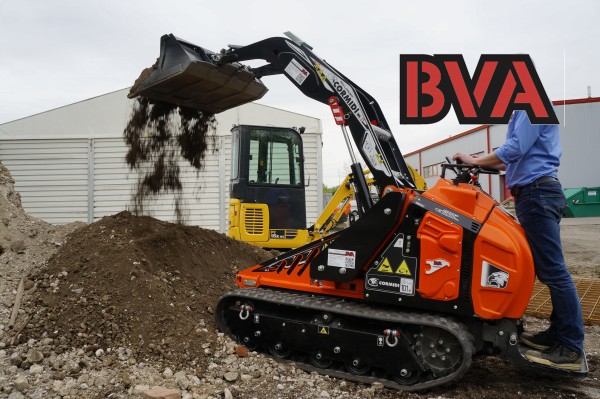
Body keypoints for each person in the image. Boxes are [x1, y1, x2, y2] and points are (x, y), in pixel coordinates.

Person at [453, 110, 584, 371]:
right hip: (535, 193)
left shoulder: (531, 106)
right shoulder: (521, 112)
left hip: (537, 193)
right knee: (548, 271)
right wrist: (480, 163)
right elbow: (509, 161)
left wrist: (473, 159)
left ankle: (570, 348)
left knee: (554, 272)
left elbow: (513, 149)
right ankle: (558, 334)